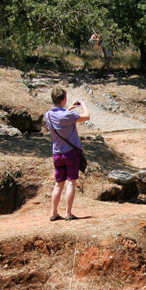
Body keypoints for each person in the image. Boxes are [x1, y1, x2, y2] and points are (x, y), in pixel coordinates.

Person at [45, 86, 90, 221]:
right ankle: (68, 213)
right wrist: (83, 105)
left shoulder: (48, 115)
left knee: (58, 183)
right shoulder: (67, 115)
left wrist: (70, 108)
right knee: (71, 183)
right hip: (70, 153)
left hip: (57, 154)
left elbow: (61, 117)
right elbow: (86, 117)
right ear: (64, 99)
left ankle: (53, 213)